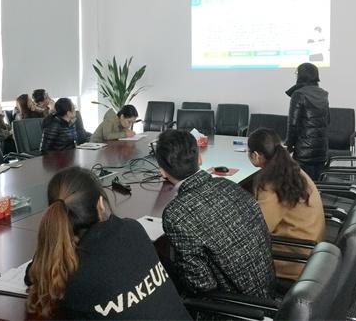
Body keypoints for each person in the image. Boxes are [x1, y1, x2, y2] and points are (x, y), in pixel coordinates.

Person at [26, 167, 191, 320]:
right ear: (100, 204)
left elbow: (34, 275)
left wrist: (52, 243)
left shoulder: (71, 273)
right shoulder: (132, 229)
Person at [156, 129, 275, 298]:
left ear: (162, 171)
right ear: (199, 158)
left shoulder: (175, 214)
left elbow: (201, 286)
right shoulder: (227, 184)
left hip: (236, 307)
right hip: (268, 290)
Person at [248, 128, 325, 280]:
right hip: (313, 250)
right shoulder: (292, 171)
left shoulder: (270, 183)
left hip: (295, 259)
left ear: (256, 155)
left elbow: (258, 230)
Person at [285, 62, 330, 180]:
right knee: (317, 185)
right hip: (321, 150)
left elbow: (293, 125)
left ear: (301, 75)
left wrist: (289, 146)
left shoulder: (298, 94)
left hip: (304, 152)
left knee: (303, 186)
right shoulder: (323, 94)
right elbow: (328, 120)